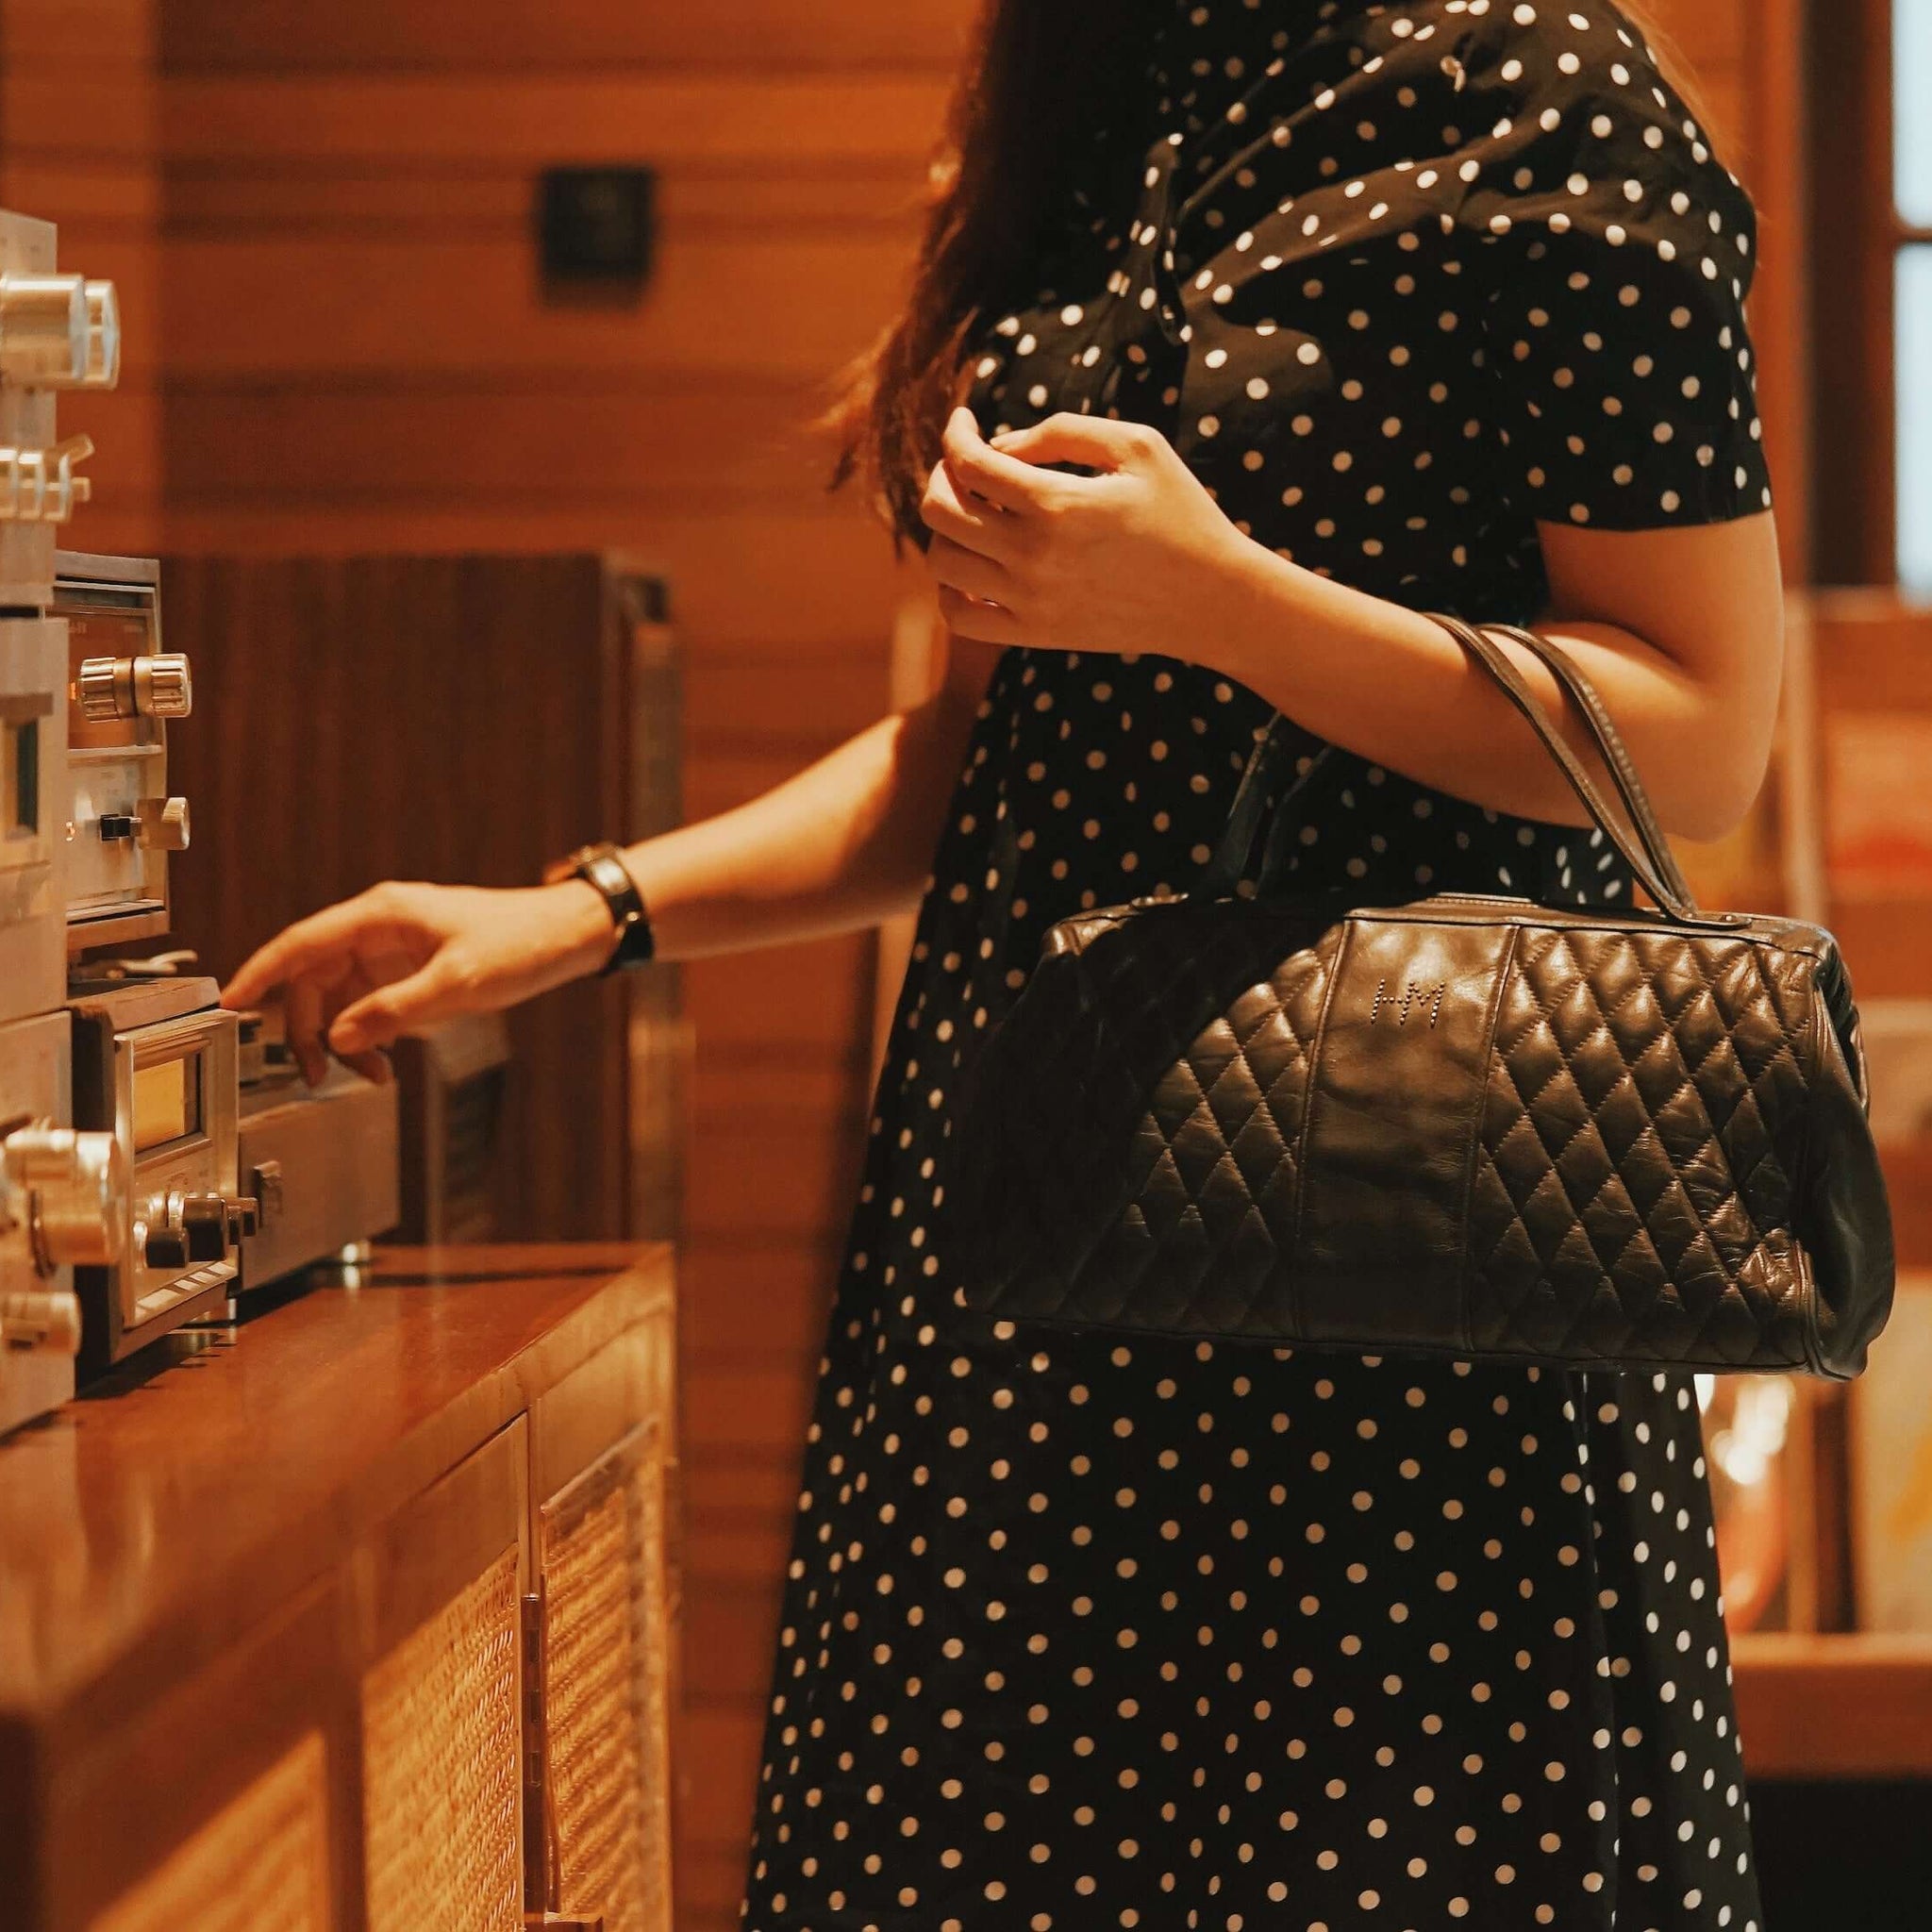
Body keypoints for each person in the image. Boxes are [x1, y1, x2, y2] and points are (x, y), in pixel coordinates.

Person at [222, 1, 1785, 1924]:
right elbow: (988, 760)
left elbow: (1702, 728)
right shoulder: (1093, 77)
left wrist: (1228, 607)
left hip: (1415, 1288)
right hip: (1032, 1262)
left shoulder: (1538, 84)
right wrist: (579, 910)